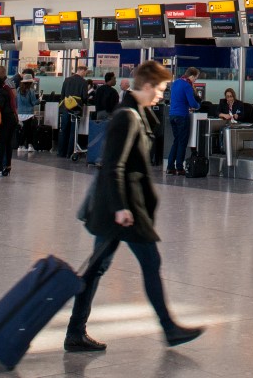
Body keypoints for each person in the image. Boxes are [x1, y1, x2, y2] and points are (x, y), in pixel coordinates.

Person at [64, 60, 202, 354]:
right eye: (162, 88)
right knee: (144, 264)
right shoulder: (126, 117)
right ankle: (169, 329)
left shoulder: (138, 113)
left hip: (120, 208)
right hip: (123, 210)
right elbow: (113, 165)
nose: (163, 94)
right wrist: (120, 208)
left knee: (96, 269)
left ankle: (75, 331)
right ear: (149, 86)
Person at [165, 68, 200, 175]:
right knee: (182, 142)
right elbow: (192, 103)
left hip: (172, 115)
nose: (195, 80)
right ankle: (180, 167)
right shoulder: (187, 85)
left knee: (176, 140)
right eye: (196, 78)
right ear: (192, 76)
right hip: (182, 116)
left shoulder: (176, 83)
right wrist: (198, 106)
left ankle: (170, 167)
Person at [59, 63, 91, 158]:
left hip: (66, 108)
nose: (85, 74)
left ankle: (61, 152)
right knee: (73, 131)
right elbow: (84, 97)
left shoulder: (67, 80)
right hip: (76, 109)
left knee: (64, 130)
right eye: (85, 72)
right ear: (82, 71)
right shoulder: (83, 82)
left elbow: (62, 94)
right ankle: (70, 152)